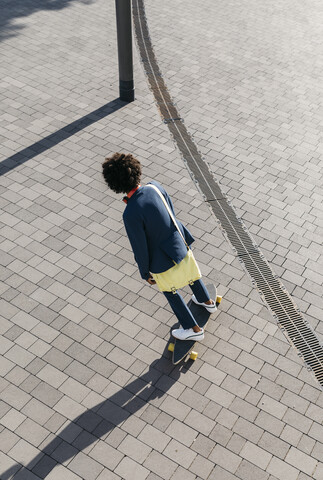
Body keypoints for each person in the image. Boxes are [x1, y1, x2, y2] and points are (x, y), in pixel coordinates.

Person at [102, 152, 217, 341]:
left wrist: (144, 273)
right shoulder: (155, 187)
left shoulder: (130, 213)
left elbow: (139, 247)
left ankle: (193, 330)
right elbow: (170, 211)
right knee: (192, 276)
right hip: (180, 243)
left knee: (170, 292)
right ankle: (207, 301)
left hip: (162, 261)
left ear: (115, 184)